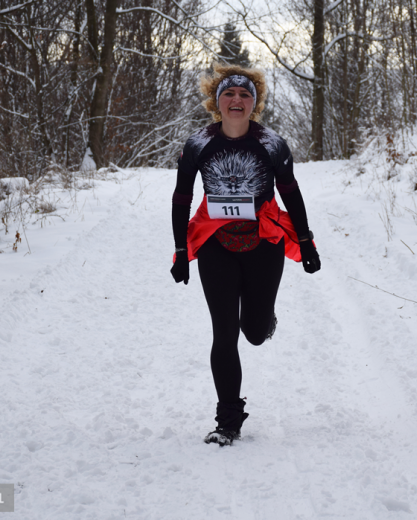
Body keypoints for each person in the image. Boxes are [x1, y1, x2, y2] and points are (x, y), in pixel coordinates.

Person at [170, 63, 321, 447]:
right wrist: (181, 250)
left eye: (244, 94)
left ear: (254, 103)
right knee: (224, 333)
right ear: (216, 101)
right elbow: (182, 198)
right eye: (229, 93)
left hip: (263, 245)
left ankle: (263, 320)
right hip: (216, 246)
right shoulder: (197, 145)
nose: (236, 100)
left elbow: (291, 194)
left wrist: (305, 243)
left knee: (252, 332)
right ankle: (228, 421)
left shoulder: (272, 144)